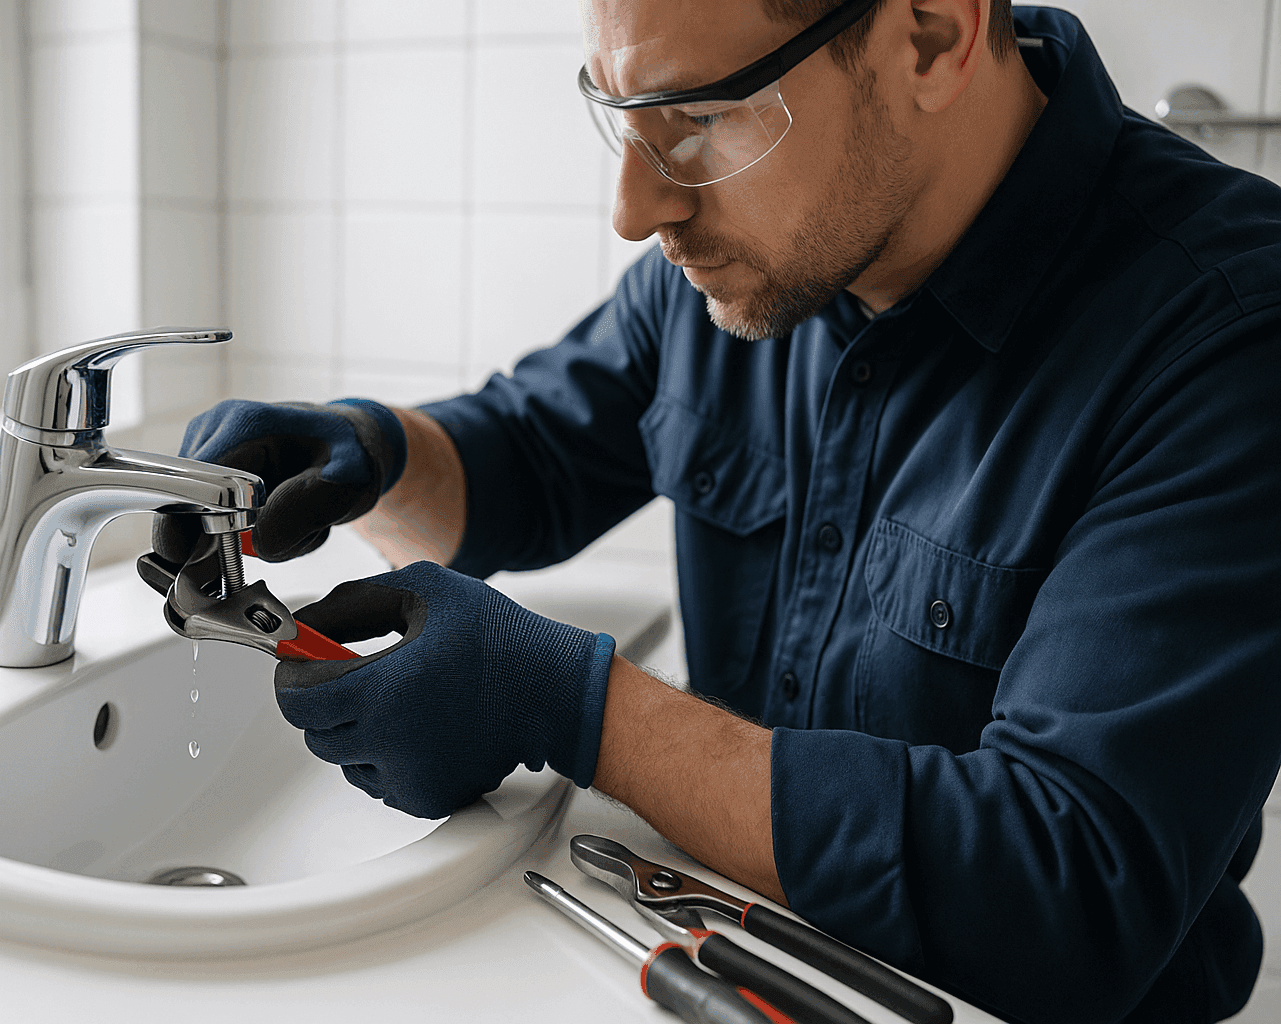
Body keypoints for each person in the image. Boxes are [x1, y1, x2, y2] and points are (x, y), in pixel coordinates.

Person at [154, 2, 1281, 1020]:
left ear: (932, 35)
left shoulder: (1228, 327)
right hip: (724, 965)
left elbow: (1072, 888)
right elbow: (535, 451)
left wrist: (574, 705)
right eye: (622, 114)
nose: (636, 211)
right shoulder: (752, 257)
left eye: (700, 114)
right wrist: (371, 452)